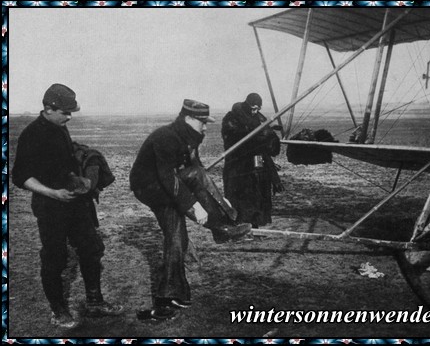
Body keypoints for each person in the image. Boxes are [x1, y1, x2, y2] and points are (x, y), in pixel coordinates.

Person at [11, 84, 124, 329]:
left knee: (91, 248)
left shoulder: (60, 127)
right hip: (50, 205)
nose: (69, 116)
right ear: (49, 109)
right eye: (65, 112)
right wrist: (52, 193)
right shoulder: (32, 135)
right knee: (55, 256)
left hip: (75, 202)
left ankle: (95, 303)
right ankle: (58, 309)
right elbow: (20, 176)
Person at [129, 99, 252, 321]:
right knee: (177, 232)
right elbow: (168, 177)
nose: (205, 127)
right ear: (188, 118)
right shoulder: (165, 137)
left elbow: (196, 168)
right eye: (202, 122)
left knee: (177, 237)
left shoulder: (188, 136)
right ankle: (222, 227)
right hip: (149, 186)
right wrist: (193, 206)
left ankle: (170, 297)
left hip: (169, 184)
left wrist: (218, 197)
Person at [221, 93, 284, 228]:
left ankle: (255, 226)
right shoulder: (232, 118)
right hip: (238, 166)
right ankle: (241, 227)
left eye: (257, 109)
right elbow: (233, 138)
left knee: (258, 196)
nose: (255, 112)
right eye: (253, 108)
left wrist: (269, 137)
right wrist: (256, 136)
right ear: (247, 105)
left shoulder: (260, 119)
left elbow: (270, 140)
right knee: (241, 198)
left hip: (257, 165)